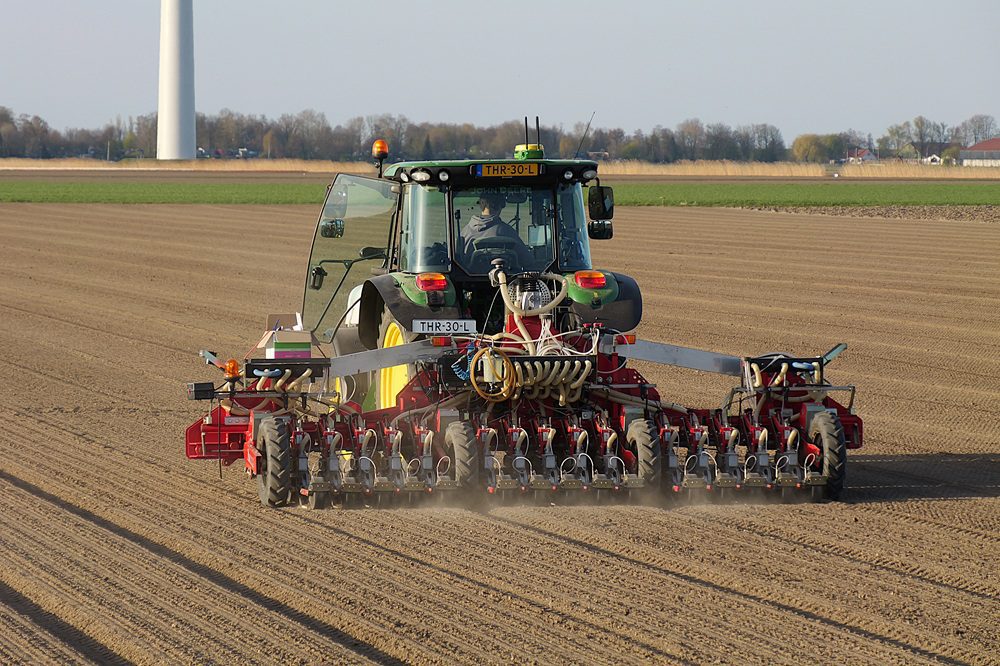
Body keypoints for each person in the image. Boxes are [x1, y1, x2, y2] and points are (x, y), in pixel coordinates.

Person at [458, 192, 533, 271]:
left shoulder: (465, 232)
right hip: (506, 281)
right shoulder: (507, 231)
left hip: (471, 281)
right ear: (501, 205)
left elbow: (459, 261)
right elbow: (528, 261)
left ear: (482, 204)